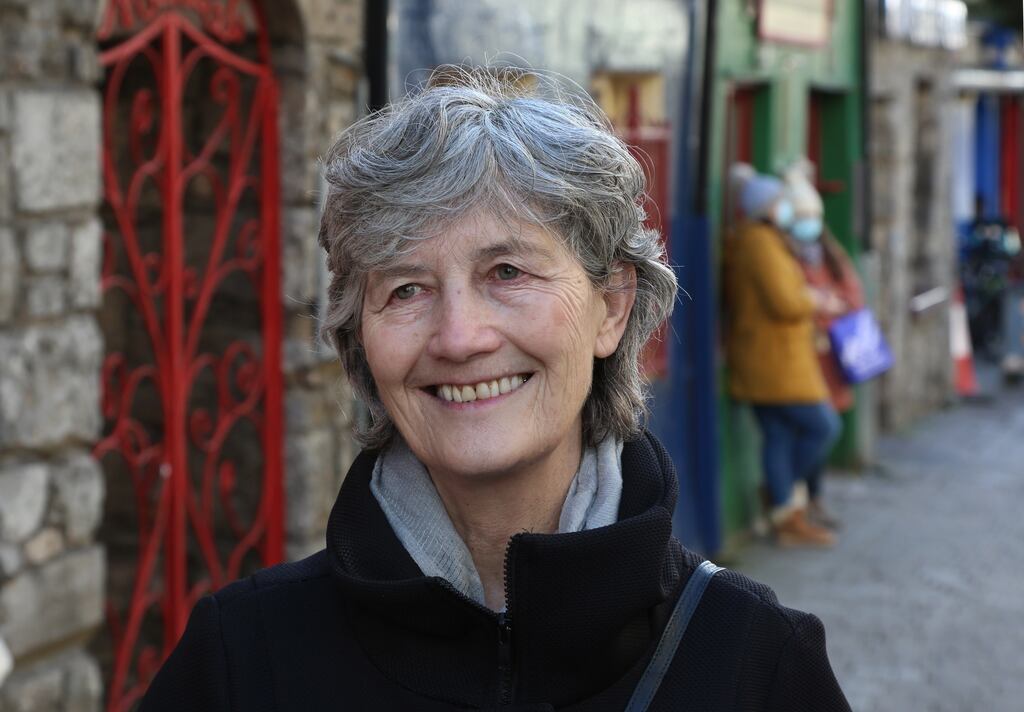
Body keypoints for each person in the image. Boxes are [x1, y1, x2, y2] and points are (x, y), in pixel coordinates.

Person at [139, 70, 849, 711]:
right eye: (406, 287)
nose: (459, 336)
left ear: (611, 307)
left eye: (507, 272)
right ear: (360, 337)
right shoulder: (243, 661)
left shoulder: (754, 664)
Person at [722, 164, 840, 548]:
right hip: (775, 360)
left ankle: (785, 513)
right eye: (780, 202)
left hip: (768, 358)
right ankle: (784, 501)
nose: (786, 209)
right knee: (823, 426)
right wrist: (816, 299)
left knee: (778, 434)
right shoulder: (759, 242)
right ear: (767, 207)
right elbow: (785, 301)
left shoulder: (763, 239)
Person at [783, 161, 863, 528]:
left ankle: (811, 498)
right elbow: (791, 300)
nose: (808, 225)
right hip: (803, 356)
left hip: (833, 355)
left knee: (824, 428)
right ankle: (795, 499)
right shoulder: (785, 254)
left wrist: (831, 303)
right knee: (815, 428)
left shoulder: (828, 251)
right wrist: (818, 305)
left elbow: (853, 294)